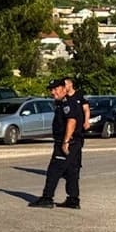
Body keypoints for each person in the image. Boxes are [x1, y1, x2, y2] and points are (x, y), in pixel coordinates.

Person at [31, 79, 82, 209]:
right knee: (71, 171)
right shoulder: (62, 103)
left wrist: (65, 142)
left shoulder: (67, 103)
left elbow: (72, 121)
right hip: (74, 142)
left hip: (67, 142)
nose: (52, 92)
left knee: (54, 170)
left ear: (63, 88)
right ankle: (73, 199)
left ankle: (47, 198)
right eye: (51, 90)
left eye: (55, 89)